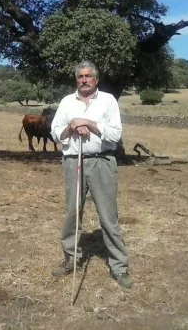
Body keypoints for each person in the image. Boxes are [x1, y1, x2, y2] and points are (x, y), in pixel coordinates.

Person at [49, 61, 132, 289]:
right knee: (72, 213)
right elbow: (56, 132)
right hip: (73, 161)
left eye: (88, 76)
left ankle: (119, 267)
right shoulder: (67, 102)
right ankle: (70, 259)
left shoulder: (108, 101)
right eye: (80, 76)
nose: (83, 80)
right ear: (76, 79)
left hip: (101, 162)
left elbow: (114, 135)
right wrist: (72, 127)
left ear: (96, 79)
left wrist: (89, 123)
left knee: (108, 216)